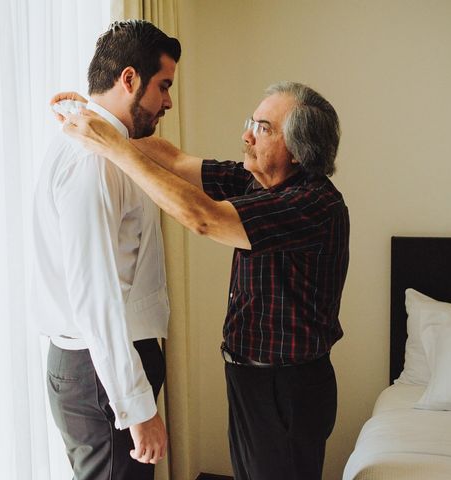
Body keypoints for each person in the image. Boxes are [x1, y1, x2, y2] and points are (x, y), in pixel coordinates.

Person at [56, 81, 349, 480]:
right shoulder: (255, 180)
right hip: (251, 377)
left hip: (288, 388)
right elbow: (174, 161)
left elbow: (204, 218)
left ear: (298, 150)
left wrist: (114, 147)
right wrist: (103, 120)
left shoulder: (314, 204)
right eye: (252, 121)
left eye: (262, 127)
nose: (246, 134)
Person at [31, 20, 181, 480]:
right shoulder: (94, 160)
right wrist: (137, 408)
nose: (169, 102)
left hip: (97, 365)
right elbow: (94, 295)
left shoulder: (101, 141)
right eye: (164, 86)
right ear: (129, 79)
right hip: (102, 369)